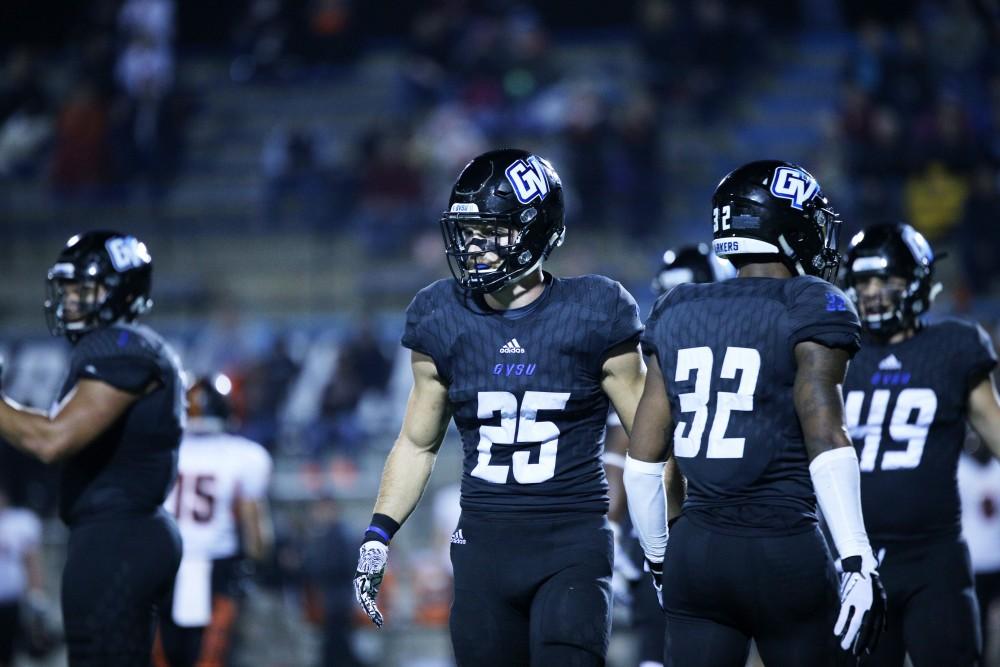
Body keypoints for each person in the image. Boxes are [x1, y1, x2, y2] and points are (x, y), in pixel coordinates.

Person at [353, 148, 647, 666]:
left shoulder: (595, 310)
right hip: (482, 548)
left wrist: (672, 536)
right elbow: (418, 443)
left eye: (492, 231)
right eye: (468, 232)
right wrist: (380, 532)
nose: (474, 246)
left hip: (571, 545)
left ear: (537, 230)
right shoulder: (440, 314)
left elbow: (650, 439)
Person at [625, 160, 887, 667]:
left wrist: (660, 560)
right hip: (782, 546)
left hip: (696, 554)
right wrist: (856, 556)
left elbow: (642, 465)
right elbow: (826, 436)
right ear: (786, 226)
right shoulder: (810, 302)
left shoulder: (676, 307)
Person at [0, 230, 184, 666]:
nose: (70, 302)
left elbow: (52, 439)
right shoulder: (120, 349)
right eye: (66, 290)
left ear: (120, 293)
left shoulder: (122, 347)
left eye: (83, 290)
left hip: (121, 533)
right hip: (117, 531)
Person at [840, 221, 1000, 667]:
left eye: (885, 279)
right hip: (856, 559)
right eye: (863, 280)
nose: (872, 292)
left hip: (935, 556)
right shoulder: (835, 353)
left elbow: (995, 428)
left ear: (916, 280)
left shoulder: (954, 346)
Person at [604, 244, 734, 667]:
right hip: (675, 527)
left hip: (733, 523)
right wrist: (610, 529)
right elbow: (624, 454)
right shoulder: (653, 358)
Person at [154, 373, 273, 667]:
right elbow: (255, 533)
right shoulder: (245, 455)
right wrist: (258, 559)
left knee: (164, 654)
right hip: (216, 565)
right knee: (210, 655)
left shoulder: (162, 452)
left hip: (166, 563)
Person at [0, 479, 45, 667]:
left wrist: (37, 593)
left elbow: (31, 560)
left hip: (11, 598)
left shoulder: (19, 521)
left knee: (10, 652)